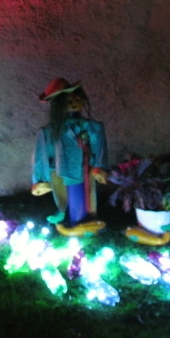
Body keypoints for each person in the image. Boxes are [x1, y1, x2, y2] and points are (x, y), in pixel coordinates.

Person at [32, 78, 108, 236]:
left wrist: (99, 166)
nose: (74, 103)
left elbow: (99, 145)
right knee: (65, 195)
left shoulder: (91, 126)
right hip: (62, 169)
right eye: (68, 101)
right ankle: (70, 220)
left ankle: (87, 223)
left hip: (86, 167)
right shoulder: (50, 131)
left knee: (88, 195)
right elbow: (41, 154)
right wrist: (40, 179)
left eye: (77, 98)